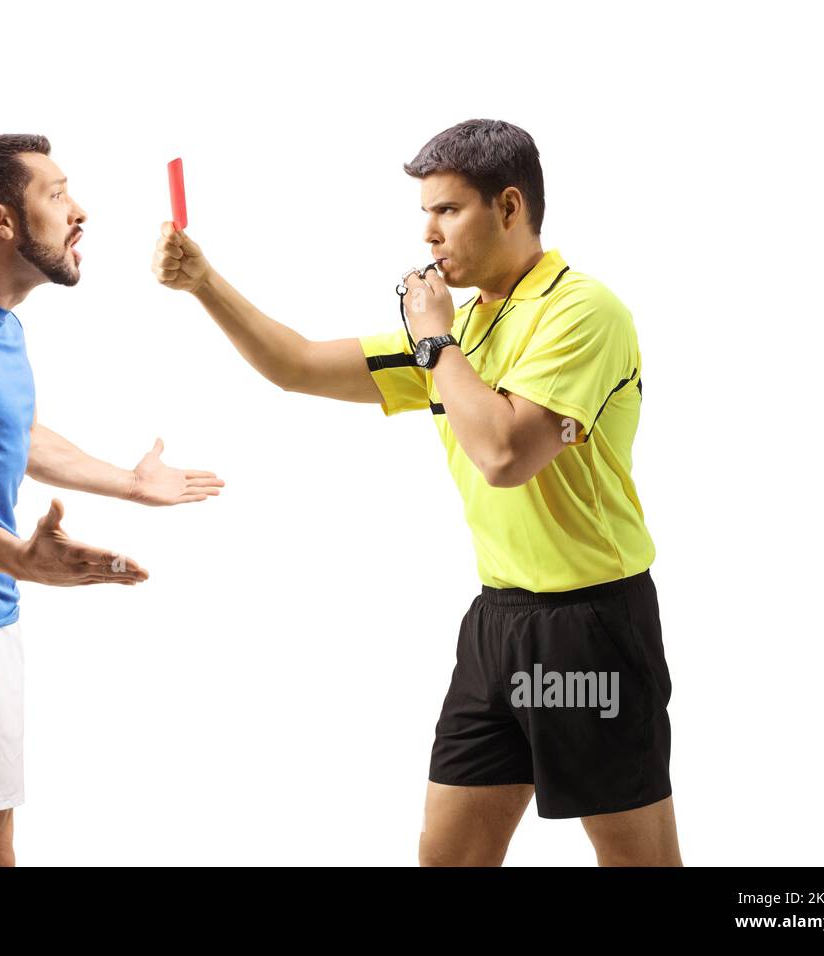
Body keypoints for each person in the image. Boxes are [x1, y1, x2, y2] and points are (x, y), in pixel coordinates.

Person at [152, 118, 680, 866]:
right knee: (449, 856)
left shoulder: (580, 312)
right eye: (423, 213)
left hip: (586, 625)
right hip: (497, 624)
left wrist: (436, 344)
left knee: (639, 862)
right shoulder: (464, 331)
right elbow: (297, 364)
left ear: (507, 207)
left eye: (447, 210)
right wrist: (205, 284)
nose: (429, 233)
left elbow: (504, 454)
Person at [0, 133, 224, 867]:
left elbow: (13, 433)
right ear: (0, 220)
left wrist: (125, 480)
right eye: (56, 195)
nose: (79, 210)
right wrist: (20, 557)